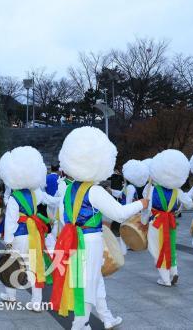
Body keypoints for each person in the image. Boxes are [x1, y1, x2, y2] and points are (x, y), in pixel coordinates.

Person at [51, 127, 149, 330]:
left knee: (92, 278)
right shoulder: (94, 190)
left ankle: (106, 318)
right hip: (90, 240)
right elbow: (120, 213)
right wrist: (142, 203)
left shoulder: (68, 189)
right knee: (87, 281)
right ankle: (80, 324)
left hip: (73, 238)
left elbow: (61, 217)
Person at [0, 147, 59, 311]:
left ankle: (10, 296)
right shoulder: (35, 193)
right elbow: (50, 200)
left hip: (18, 236)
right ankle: (37, 302)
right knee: (34, 266)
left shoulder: (13, 198)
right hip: (34, 235)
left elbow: (10, 223)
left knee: (13, 265)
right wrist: (62, 198)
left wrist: (8, 242)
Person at [141, 149, 193, 287]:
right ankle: (174, 272)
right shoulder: (178, 191)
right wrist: (178, 209)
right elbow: (189, 204)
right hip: (171, 222)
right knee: (171, 247)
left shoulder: (151, 189)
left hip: (156, 223)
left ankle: (165, 279)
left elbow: (146, 207)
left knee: (157, 249)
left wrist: (143, 221)